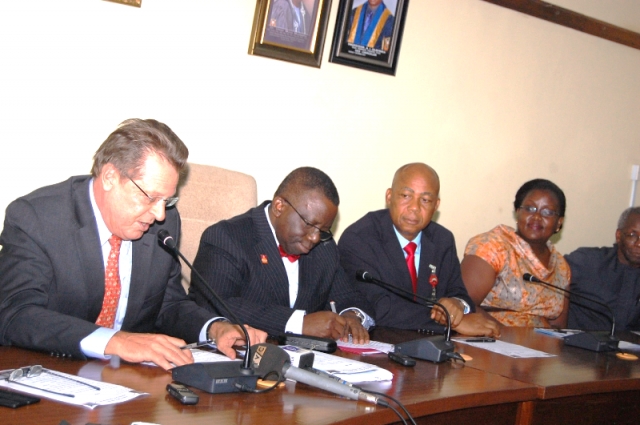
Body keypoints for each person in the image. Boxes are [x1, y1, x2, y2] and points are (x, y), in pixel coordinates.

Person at [0, 119, 266, 370]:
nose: (161, 214)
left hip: (130, 383)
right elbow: (15, 314)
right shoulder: (37, 217)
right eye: (151, 197)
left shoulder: (164, 223)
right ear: (110, 178)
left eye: (167, 201)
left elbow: (167, 304)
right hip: (50, 373)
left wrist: (213, 328)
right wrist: (115, 341)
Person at [190, 167, 374, 344]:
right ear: (279, 206)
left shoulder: (324, 247)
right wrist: (298, 323)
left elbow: (348, 295)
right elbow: (216, 305)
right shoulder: (226, 237)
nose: (315, 237)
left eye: (323, 230)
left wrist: (352, 315)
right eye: (309, 224)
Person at [339, 163, 500, 337]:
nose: (414, 207)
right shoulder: (359, 238)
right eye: (406, 196)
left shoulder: (442, 239)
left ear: (436, 205)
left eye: (425, 200)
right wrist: (453, 323)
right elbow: (379, 308)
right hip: (380, 343)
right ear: (389, 196)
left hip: (433, 348)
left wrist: (456, 305)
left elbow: (459, 292)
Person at [461, 179, 570, 328]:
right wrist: (508, 337)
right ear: (518, 212)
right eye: (530, 209)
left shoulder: (561, 267)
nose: (537, 217)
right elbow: (462, 304)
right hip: (491, 343)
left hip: (542, 348)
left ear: (559, 222)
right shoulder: (492, 246)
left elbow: (558, 327)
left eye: (547, 212)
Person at [565, 207, 640, 331]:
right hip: (575, 347)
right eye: (632, 235)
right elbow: (546, 277)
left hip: (626, 349)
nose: (638, 243)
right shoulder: (587, 261)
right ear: (619, 235)